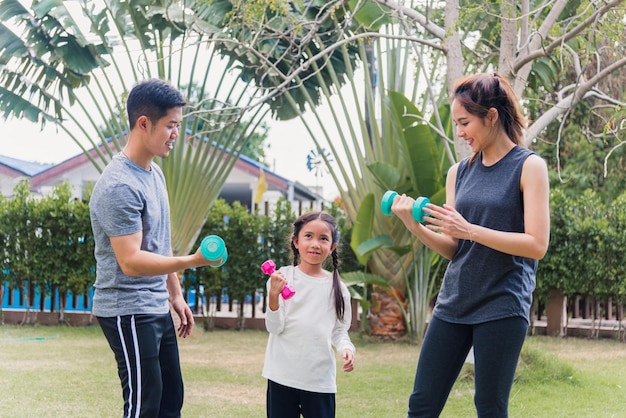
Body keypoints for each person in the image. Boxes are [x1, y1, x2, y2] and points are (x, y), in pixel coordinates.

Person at [391, 73, 550, 417]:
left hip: (502, 304)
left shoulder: (529, 167)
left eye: (465, 122)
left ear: (491, 116)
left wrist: (471, 230)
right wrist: (412, 223)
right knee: (422, 404)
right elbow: (454, 247)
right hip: (454, 302)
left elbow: (537, 245)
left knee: (489, 406)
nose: (460, 132)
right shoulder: (458, 172)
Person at [89, 78, 221, 417]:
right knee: (144, 406)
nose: (176, 133)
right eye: (171, 125)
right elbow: (131, 261)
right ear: (143, 123)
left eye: (178, 125)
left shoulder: (154, 174)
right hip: (126, 309)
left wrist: (175, 295)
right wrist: (193, 261)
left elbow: (159, 244)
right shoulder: (119, 185)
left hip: (154, 305)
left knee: (169, 400)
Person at [262, 211, 356, 418]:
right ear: (295, 242)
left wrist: (346, 349)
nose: (315, 244)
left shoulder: (338, 288)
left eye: (323, 239)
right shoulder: (281, 278)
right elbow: (274, 328)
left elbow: (340, 331)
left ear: (332, 247)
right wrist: (274, 296)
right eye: (308, 236)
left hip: (319, 380)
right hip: (282, 376)